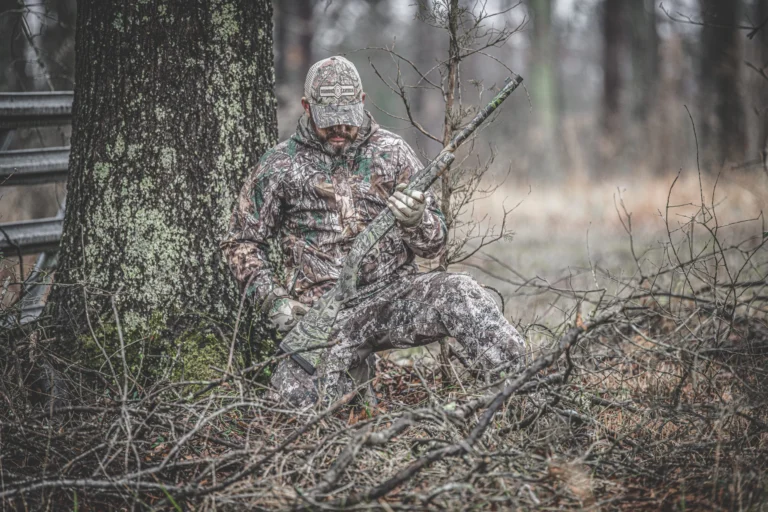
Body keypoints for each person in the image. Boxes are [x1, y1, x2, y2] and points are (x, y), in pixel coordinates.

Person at [222, 56, 524, 407]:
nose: (339, 130)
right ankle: (356, 379)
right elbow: (240, 242)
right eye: (328, 121)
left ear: (362, 102)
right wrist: (274, 301)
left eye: (346, 120)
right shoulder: (279, 166)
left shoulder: (393, 154)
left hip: (395, 299)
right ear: (307, 107)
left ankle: (523, 393)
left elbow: (435, 245)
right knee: (292, 412)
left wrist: (417, 221)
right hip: (324, 317)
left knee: (461, 292)